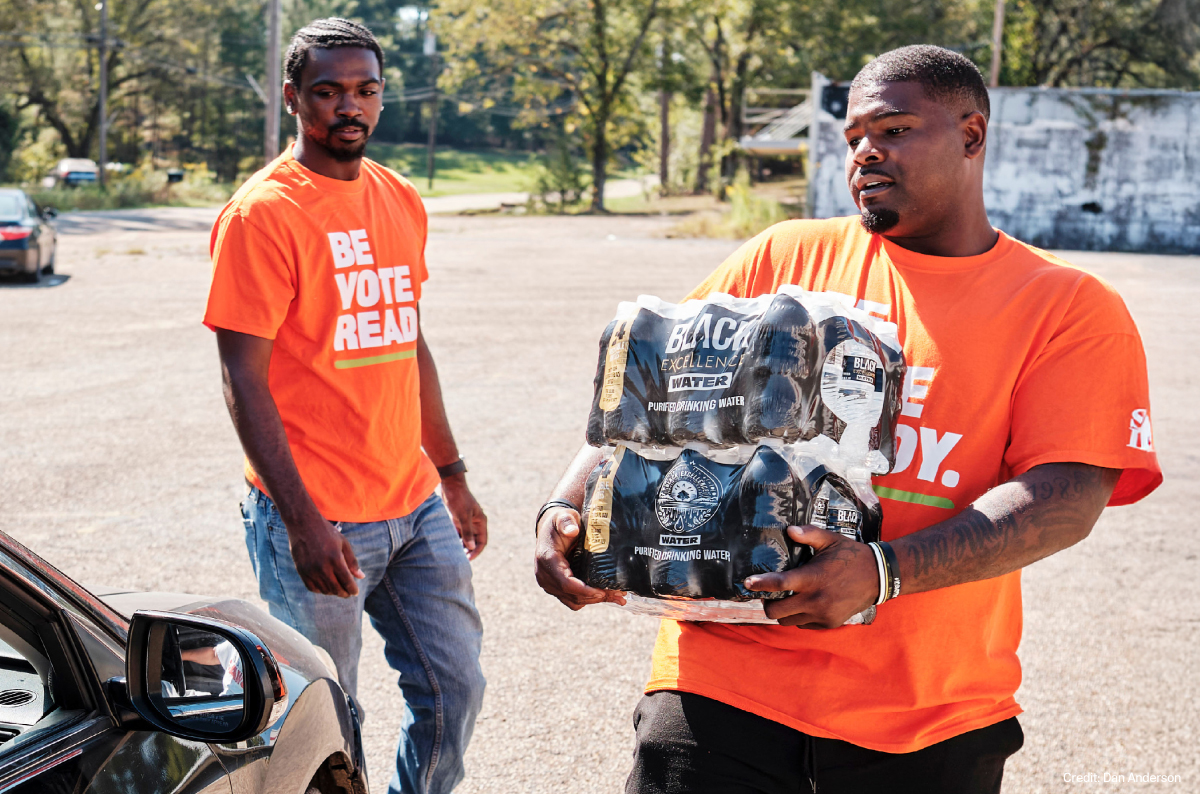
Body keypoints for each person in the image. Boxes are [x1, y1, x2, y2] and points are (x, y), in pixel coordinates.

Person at [535, 45, 1162, 793]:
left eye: (894, 129)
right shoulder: (783, 260)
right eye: (854, 136)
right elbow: (648, 403)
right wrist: (565, 505)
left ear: (971, 134)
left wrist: (882, 572)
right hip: (719, 691)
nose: (866, 150)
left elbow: (1066, 497)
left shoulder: (1066, 308)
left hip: (928, 718)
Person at [204, 18, 487, 794]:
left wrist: (453, 476)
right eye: (327, 92)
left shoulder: (397, 196)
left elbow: (409, 345)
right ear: (294, 99)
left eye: (365, 91)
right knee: (327, 721)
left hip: (414, 505)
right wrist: (301, 520)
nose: (347, 107)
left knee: (455, 689)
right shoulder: (263, 214)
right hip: (319, 516)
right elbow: (242, 379)